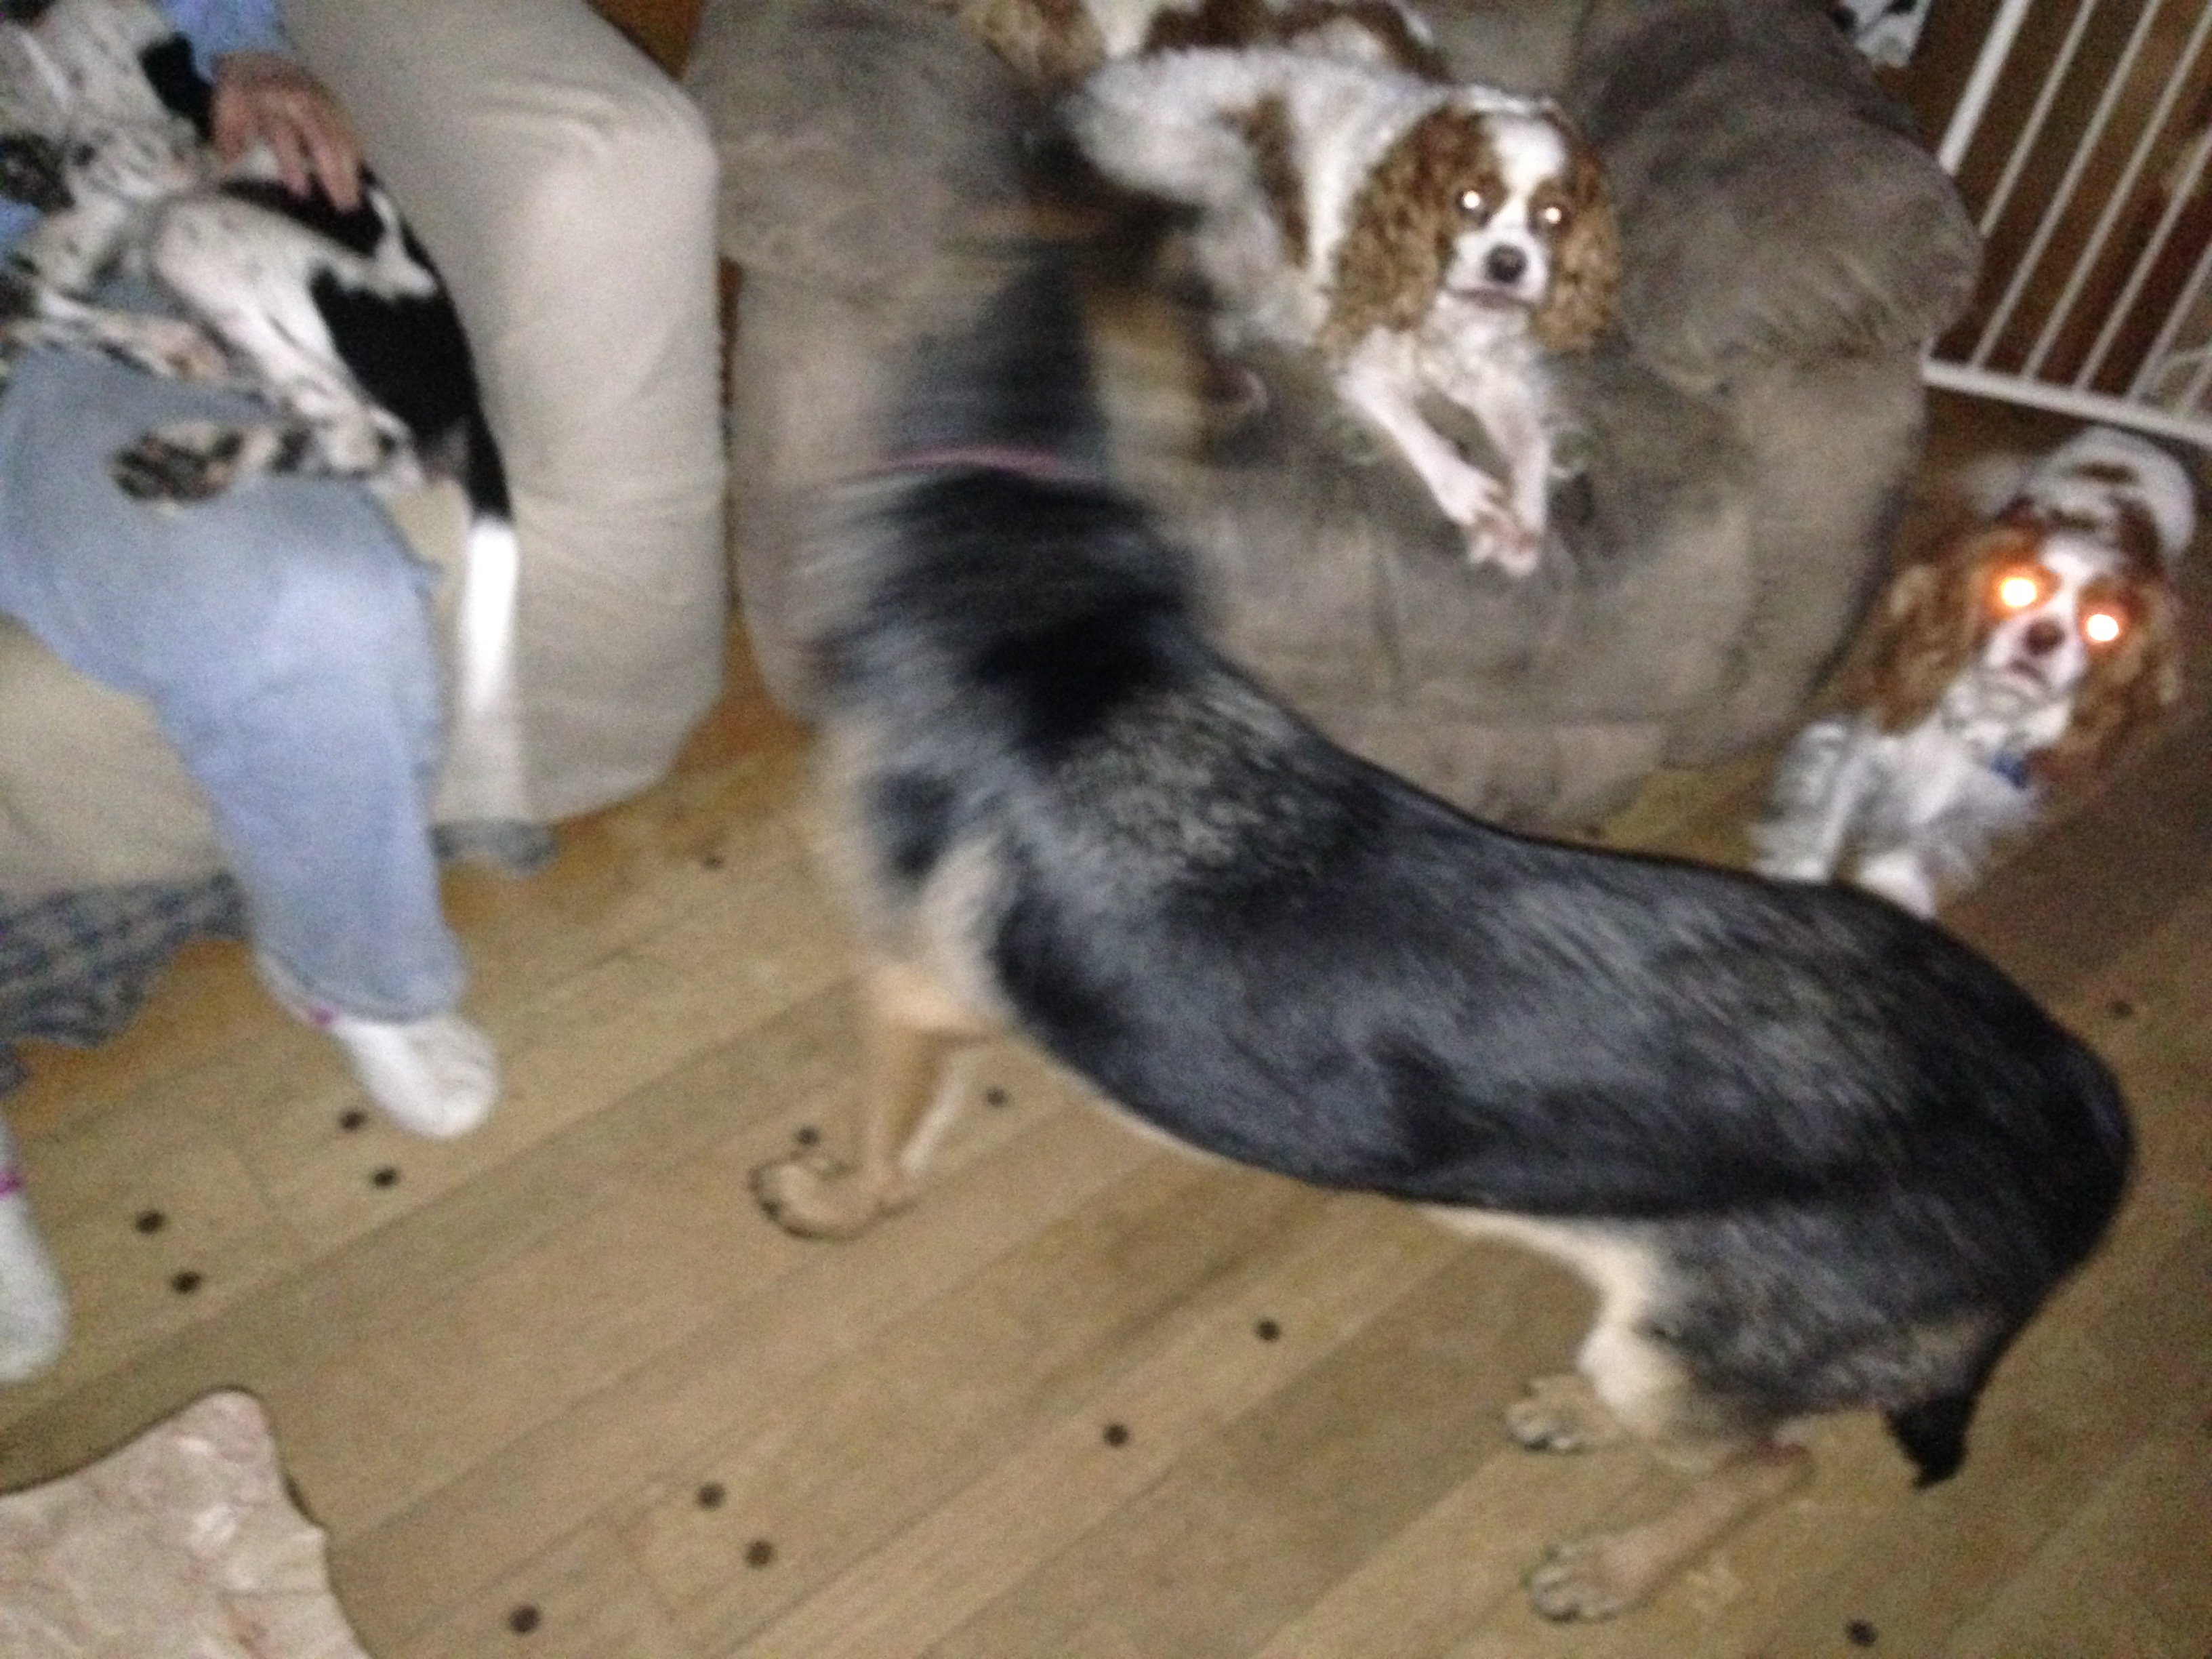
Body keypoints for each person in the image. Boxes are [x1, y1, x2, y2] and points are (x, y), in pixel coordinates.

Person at [0, 0, 498, 1384]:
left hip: (102, 308)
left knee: (320, 602)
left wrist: (253, 48)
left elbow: (187, 32)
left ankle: (352, 970)